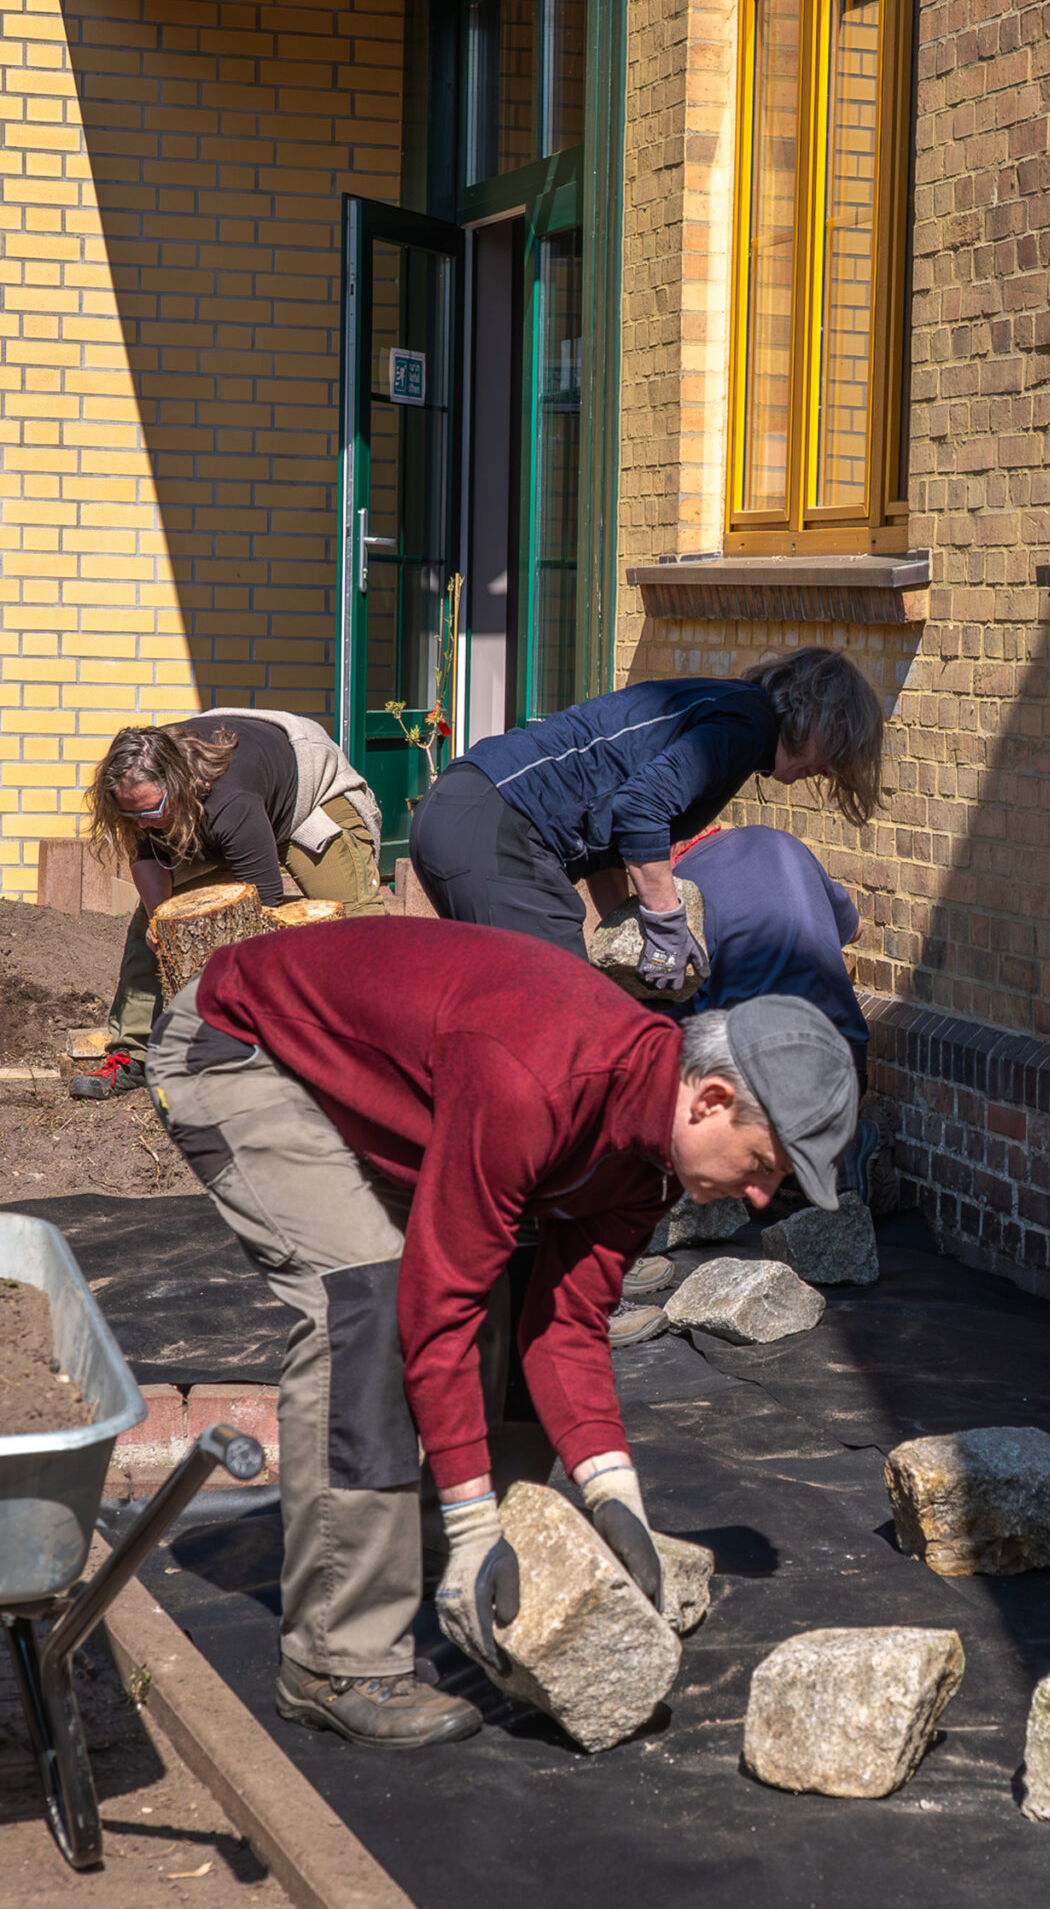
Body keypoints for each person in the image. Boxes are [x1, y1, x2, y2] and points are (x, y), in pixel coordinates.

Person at [144, 916, 859, 1749]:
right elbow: (437, 1304)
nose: (762, 1197)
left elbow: (567, 1322)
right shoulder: (537, 1079)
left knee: (511, 1293)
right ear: (709, 1101)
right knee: (369, 1304)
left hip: (387, 1084)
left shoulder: (650, 1161)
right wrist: (474, 1519)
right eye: (763, 1165)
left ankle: (452, 1565)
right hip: (244, 1048)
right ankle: (338, 1661)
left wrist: (612, 1493)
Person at [407, 649, 884, 992]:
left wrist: (628, 932)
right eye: (835, 748)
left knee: (514, 1015)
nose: (829, 770)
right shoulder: (747, 724)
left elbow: (611, 840)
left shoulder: (733, 712)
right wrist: (666, 924)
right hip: (499, 825)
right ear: (813, 712)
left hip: (461, 812)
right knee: (566, 1017)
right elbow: (641, 808)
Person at [75, 710, 386, 1100]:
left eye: (150, 812)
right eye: (130, 814)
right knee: (152, 926)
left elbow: (263, 902)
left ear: (176, 786)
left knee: (356, 922)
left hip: (309, 795)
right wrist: (159, 919)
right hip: (210, 817)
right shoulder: (140, 793)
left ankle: (388, 1047)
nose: (141, 823)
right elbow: (148, 854)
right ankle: (134, 1056)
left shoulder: (229, 800)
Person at [671, 822, 868, 1088]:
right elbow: (856, 928)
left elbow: (670, 1024)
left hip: (761, 1078)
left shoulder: (677, 895)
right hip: (846, 1055)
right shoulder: (782, 841)